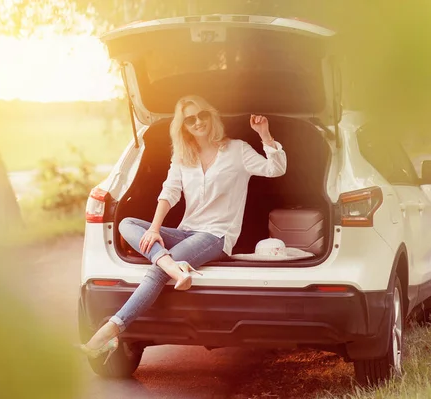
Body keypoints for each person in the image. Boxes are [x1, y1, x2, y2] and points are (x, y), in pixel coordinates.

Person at [79, 94, 287, 362]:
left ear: (211, 116)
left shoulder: (237, 150)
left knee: (155, 273)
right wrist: (154, 229)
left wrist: (265, 136)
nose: (197, 122)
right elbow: (170, 192)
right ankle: (170, 265)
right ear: (183, 126)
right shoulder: (183, 156)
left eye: (202, 115)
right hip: (185, 231)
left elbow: (276, 168)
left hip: (216, 236)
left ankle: (109, 331)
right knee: (127, 224)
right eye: (190, 119)